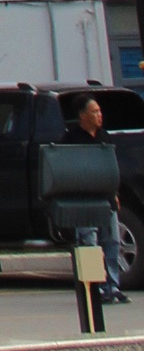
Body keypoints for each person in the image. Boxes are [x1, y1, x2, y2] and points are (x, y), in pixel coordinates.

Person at [64, 95, 128, 305]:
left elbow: (111, 167)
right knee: (89, 243)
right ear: (82, 115)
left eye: (100, 111)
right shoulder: (71, 139)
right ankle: (95, 288)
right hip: (84, 201)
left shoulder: (104, 136)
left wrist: (114, 194)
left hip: (105, 198)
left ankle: (113, 286)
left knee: (112, 241)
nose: (99, 115)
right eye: (94, 112)